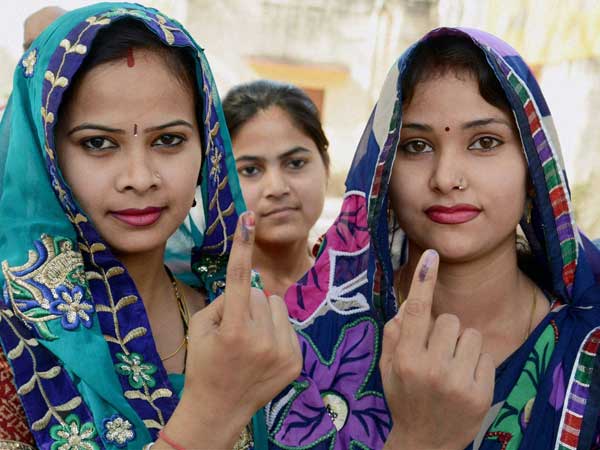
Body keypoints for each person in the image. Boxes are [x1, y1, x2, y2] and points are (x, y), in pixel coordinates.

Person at [0, 3, 301, 449]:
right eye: (98, 143)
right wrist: (210, 415)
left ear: (208, 148)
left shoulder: (242, 319)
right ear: (47, 157)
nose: (140, 178)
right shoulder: (11, 338)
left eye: (169, 140)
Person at [362, 28, 600, 449]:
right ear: (382, 174)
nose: (446, 177)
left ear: (534, 171)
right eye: (416, 146)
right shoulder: (326, 342)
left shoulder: (589, 344)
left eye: (485, 142)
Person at [222, 80, 329, 297]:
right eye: (250, 170)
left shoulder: (360, 287)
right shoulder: (197, 299)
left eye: (296, 163)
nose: (277, 188)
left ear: (326, 165)